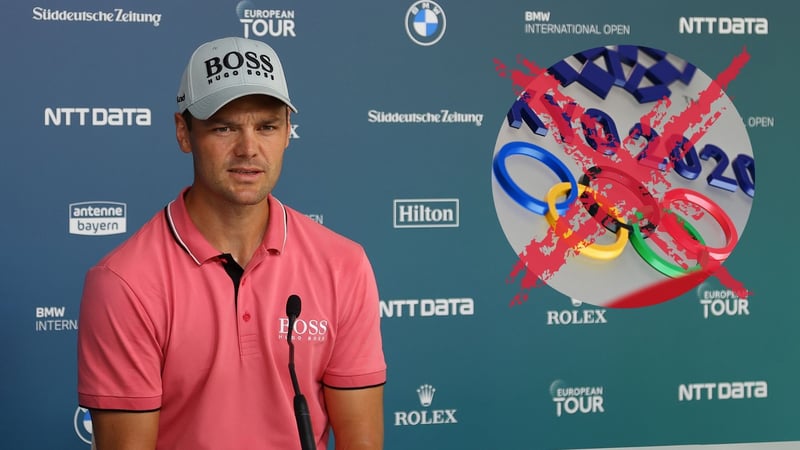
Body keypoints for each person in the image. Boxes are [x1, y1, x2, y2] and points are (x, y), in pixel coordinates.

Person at [77, 36, 387, 450]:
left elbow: (360, 443)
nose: (248, 149)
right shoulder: (123, 281)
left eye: (266, 127)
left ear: (287, 134)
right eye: (223, 128)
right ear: (183, 133)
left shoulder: (343, 264)